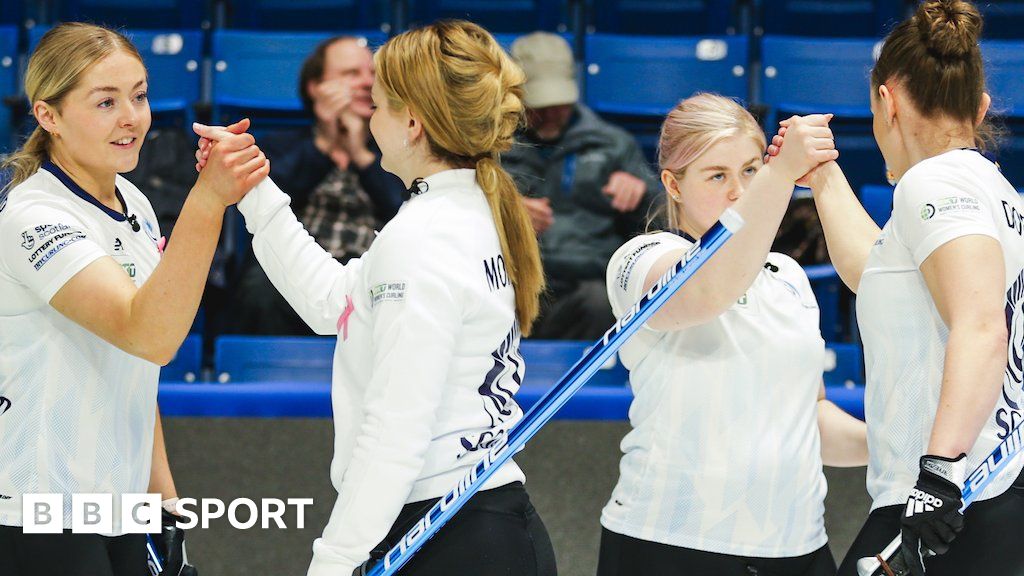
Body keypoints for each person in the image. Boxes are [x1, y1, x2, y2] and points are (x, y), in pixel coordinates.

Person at [195, 20, 556, 576]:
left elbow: (396, 430)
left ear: (411, 123)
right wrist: (256, 194)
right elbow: (333, 303)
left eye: (380, 105)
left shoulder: (425, 237)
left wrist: (333, 561)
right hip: (471, 525)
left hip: (449, 537)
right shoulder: (456, 213)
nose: (370, 116)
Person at [0, 23, 267, 576]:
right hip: (38, 508)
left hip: (118, 507)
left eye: (140, 96)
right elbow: (148, 333)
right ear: (48, 116)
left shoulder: (134, 202)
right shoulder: (34, 217)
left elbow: (136, 366)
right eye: (106, 101)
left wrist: (164, 505)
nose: (132, 117)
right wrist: (208, 201)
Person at [768, 2, 1024, 574]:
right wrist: (825, 177)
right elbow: (879, 274)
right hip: (980, 494)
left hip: (952, 498)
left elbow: (980, 325)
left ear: (886, 100)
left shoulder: (933, 183)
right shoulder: (994, 193)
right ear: (977, 109)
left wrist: (937, 472)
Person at [597, 94, 867, 576]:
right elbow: (705, 292)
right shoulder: (641, 259)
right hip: (671, 545)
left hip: (798, 548)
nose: (740, 191)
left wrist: (893, 447)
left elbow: (809, 420)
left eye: (750, 170)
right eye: (717, 176)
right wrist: (780, 176)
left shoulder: (788, 275)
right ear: (672, 185)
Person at [230, 35, 404, 335]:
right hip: (296, 269)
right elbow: (265, 203)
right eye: (352, 74)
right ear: (316, 88)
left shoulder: (396, 151)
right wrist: (324, 146)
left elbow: (403, 211)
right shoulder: (281, 145)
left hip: (370, 271)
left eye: (372, 75)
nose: (366, 83)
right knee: (258, 290)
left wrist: (360, 155)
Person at [502, 31, 660, 340]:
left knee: (602, 303)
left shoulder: (613, 144)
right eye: (539, 105)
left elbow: (661, 221)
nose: (549, 114)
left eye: (558, 103)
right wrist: (506, 212)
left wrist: (639, 192)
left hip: (588, 285)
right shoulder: (494, 146)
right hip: (515, 281)